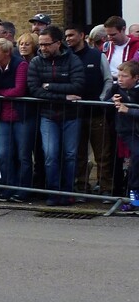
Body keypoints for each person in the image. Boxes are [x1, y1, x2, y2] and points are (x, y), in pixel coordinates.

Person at [27, 25, 85, 204]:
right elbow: (35, 90)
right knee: (51, 154)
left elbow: (77, 86)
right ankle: (53, 192)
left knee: (70, 155)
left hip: (71, 115)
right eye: (41, 45)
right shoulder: (36, 62)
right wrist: (63, 96)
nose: (42, 48)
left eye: (46, 44)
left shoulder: (73, 60)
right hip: (48, 115)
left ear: (58, 43)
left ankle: (67, 192)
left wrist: (49, 86)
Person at [64, 24, 111, 195]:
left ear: (82, 35)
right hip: (73, 114)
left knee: (102, 155)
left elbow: (107, 80)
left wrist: (101, 99)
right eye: (66, 36)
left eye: (71, 35)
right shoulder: (65, 57)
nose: (68, 38)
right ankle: (82, 187)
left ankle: (106, 189)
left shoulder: (97, 56)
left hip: (96, 113)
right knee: (78, 155)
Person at [0, 38, 33, 202]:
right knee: (3, 154)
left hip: (22, 116)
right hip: (4, 117)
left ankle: (23, 190)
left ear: (7, 52)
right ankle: (7, 188)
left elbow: (19, 90)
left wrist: (0, 93)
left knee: (23, 155)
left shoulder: (20, 65)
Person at [111, 61, 139, 206]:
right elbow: (102, 100)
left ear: (136, 78)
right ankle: (133, 197)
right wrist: (112, 100)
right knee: (137, 156)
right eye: (119, 75)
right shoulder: (116, 88)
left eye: (125, 76)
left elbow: (130, 109)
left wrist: (129, 110)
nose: (120, 79)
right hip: (127, 131)